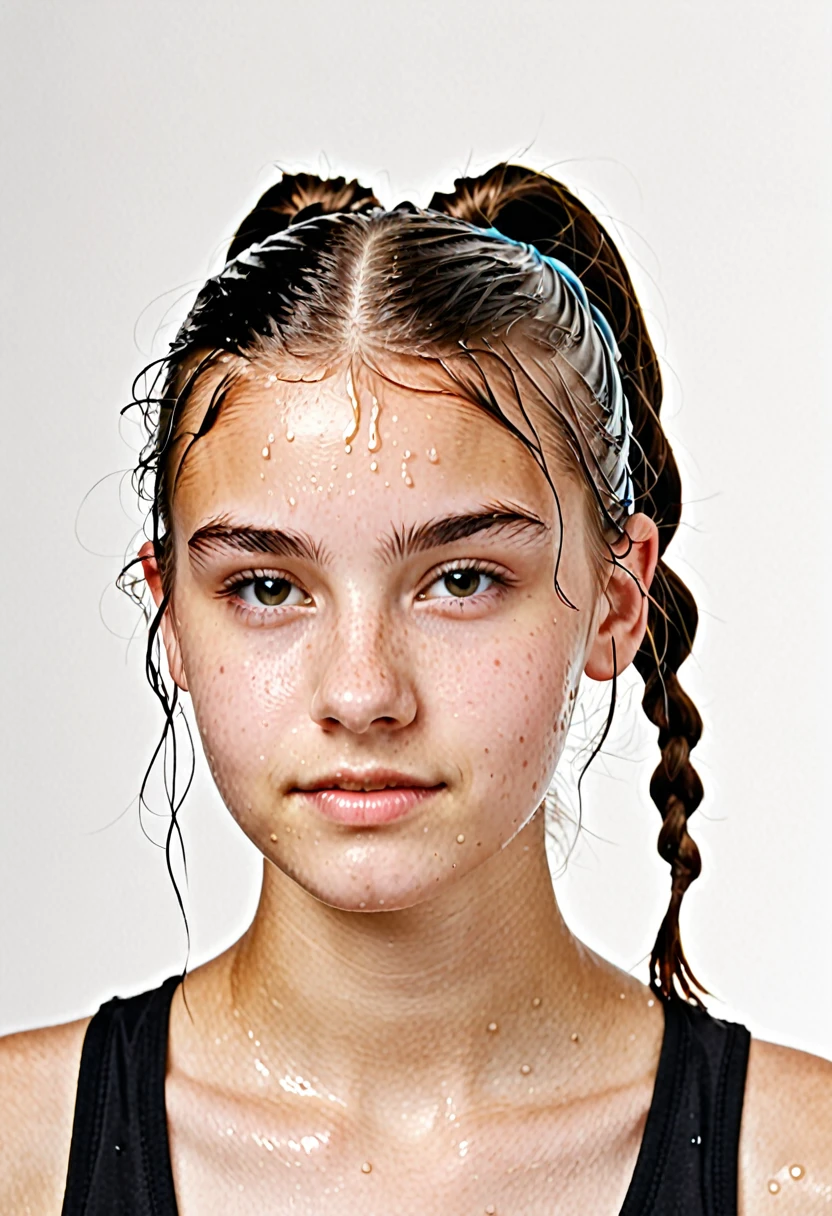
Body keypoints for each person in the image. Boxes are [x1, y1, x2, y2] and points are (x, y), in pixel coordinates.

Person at [1, 163, 829, 1215]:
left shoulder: (802, 1175)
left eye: (461, 579)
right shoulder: (12, 1157)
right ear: (170, 609)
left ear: (618, 599)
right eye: (265, 586)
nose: (361, 692)